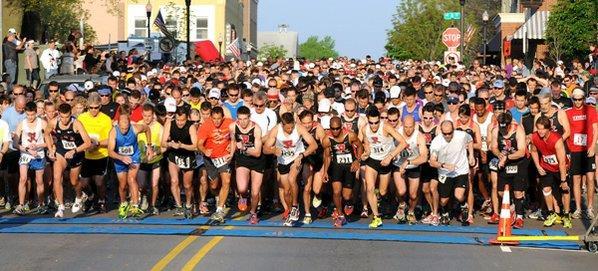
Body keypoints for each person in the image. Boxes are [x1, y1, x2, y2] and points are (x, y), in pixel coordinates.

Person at [263, 112, 318, 227]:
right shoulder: (276, 130)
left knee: (292, 179)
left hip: (296, 158)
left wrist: (302, 155)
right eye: (287, 128)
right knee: (286, 191)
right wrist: (273, 150)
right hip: (283, 161)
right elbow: (265, 149)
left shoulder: (299, 128)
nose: (290, 130)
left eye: (292, 127)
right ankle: (290, 211)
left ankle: (295, 207)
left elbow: (314, 145)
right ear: (282, 125)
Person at [360, 108, 407, 228]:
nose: (374, 125)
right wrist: (366, 153)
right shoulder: (364, 129)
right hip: (372, 161)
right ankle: (376, 217)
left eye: (376, 122)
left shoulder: (386, 127)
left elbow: (403, 142)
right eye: (371, 122)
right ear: (368, 121)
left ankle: (379, 198)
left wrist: (390, 157)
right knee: (369, 188)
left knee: (382, 191)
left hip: (386, 161)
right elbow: (367, 143)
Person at [46, 103, 92, 218]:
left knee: (74, 181)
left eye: (67, 117)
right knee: (57, 177)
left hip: (76, 153)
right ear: (58, 114)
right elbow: (46, 134)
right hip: (61, 151)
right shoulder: (53, 122)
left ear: (71, 115)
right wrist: (51, 148)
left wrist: (74, 151)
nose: (64, 120)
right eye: (62, 117)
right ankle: (61, 206)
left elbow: (88, 142)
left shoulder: (76, 124)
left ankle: (80, 196)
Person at [107, 103, 153, 219]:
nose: (124, 130)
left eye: (126, 128)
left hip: (134, 156)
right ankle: (123, 203)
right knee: (122, 185)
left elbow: (147, 129)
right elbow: (110, 152)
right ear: (118, 124)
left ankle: (135, 205)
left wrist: (149, 146)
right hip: (119, 158)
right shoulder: (113, 132)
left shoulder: (135, 128)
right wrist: (121, 157)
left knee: (131, 179)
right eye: (122, 128)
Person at [428, 120, 476, 225]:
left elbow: (470, 140)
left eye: (450, 133)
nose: (448, 136)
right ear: (441, 131)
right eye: (445, 133)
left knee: (459, 195)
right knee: (444, 200)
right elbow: (432, 162)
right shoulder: (436, 142)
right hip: (445, 172)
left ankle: (463, 205)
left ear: (453, 130)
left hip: (460, 169)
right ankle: (444, 213)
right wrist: (444, 165)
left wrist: (471, 155)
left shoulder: (461, 135)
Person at [321, 116, 363, 227]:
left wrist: (357, 161)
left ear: (341, 127)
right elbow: (327, 157)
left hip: (349, 166)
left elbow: (360, 147)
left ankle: (350, 202)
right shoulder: (326, 140)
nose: (335, 131)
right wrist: (325, 172)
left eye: (337, 128)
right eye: (333, 128)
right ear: (330, 128)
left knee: (346, 196)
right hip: (336, 167)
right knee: (336, 192)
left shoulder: (350, 135)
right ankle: (340, 215)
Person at [530, 116, 571, 228]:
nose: (540, 132)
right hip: (546, 166)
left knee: (565, 189)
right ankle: (551, 213)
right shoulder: (534, 137)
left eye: (543, 129)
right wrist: (538, 166)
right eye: (538, 129)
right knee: (546, 189)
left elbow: (562, 162)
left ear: (549, 129)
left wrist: (563, 180)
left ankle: (566, 215)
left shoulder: (556, 139)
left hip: (560, 167)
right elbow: (533, 151)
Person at [197, 106, 235, 225]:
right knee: (214, 185)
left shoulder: (230, 123)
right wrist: (204, 150)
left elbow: (239, 134)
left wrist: (232, 145)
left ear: (223, 117)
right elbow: (199, 144)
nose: (217, 121)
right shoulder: (206, 125)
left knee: (227, 181)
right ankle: (218, 197)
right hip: (210, 158)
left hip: (224, 157)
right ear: (211, 117)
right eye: (214, 119)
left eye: (219, 119)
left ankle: (219, 210)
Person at [490, 111, 527, 228]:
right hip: (504, 163)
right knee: (501, 192)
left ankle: (520, 217)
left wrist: (506, 157)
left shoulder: (518, 130)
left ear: (509, 124)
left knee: (517, 192)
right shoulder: (496, 130)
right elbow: (494, 147)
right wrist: (499, 155)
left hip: (517, 162)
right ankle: (512, 206)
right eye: (501, 128)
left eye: (505, 128)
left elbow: (522, 152)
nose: (503, 131)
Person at [78, 93, 113, 213]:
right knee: (83, 183)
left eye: (96, 107)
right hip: (85, 155)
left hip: (101, 155)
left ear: (100, 106)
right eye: (91, 107)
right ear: (87, 106)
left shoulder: (106, 119)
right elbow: (77, 135)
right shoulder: (82, 118)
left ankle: (102, 201)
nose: (93, 110)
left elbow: (110, 140)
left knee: (99, 182)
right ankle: (91, 197)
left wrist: (97, 144)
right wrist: (86, 145)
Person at [565, 88, 597, 219]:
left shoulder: (590, 110)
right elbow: (566, 131)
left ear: (583, 99)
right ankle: (578, 208)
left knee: (590, 179)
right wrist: (568, 150)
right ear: (572, 99)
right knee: (576, 179)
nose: (578, 102)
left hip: (588, 149)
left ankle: (589, 207)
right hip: (575, 150)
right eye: (575, 99)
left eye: (580, 99)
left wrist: (592, 146)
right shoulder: (568, 113)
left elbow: (595, 129)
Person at [229, 106, 264, 224]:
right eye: (240, 119)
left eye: (245, 119)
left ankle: (253, 213)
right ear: (237, 118)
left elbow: (258, 152)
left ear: (249, 117)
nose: (243, 122)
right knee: (242, 188)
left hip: (257, 160)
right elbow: (233, 141)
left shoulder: (256, 129)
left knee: (255, 192)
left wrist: (244, 148)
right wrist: (230, 154)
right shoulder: (233, 126)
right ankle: (243, 196)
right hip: (242, 160)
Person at [392, 115, 428, 224]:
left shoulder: (419, 136)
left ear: (415, 126)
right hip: (398, 164)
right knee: (401, 191)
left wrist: (409, 162)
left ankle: (411, 211)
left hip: (413, 165)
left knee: (413, 194)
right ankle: (402, 204)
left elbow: (424, 157)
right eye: (406, 127)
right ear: (402, 125)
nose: (408, 130)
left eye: (411, 127)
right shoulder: (397, 133)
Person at [13, 102, 47, 215]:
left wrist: (38, 146)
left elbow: (50, 142)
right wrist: (27, 149)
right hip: (25, 154)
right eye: (28, 114)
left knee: (39, 180)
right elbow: (15, 143)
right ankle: (21, 204)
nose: (30, 117)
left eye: (32, 114)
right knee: (23, 178)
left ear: (36, 113)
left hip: (39, 154)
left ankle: (41, 204)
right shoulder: (22, 124)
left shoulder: (42, 123)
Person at [163, 106, 197, 218]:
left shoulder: (191, 127)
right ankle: (178, 205)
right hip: (174, 155)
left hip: (187, 155)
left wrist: (181, 145)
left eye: (182, 120)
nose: (179, 123)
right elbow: (163, 143)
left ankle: (188, 205)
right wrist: (170, 144)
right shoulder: (169, 123)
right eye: (177, 120)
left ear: (187, 118)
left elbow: (195, 146)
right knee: (174, 181)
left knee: (187, 185)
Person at [137, 104, 163, 214]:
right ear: (142, 114)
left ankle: (153, 205)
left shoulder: (159, 127)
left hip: (156, 159)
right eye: (145, 115)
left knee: (155, 184)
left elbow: (164, 146)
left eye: (149, 115)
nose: (147, 118)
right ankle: (144, 197)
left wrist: (155, 152)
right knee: (141, 185)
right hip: (141, 160)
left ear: (153, 115)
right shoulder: (137, 125)